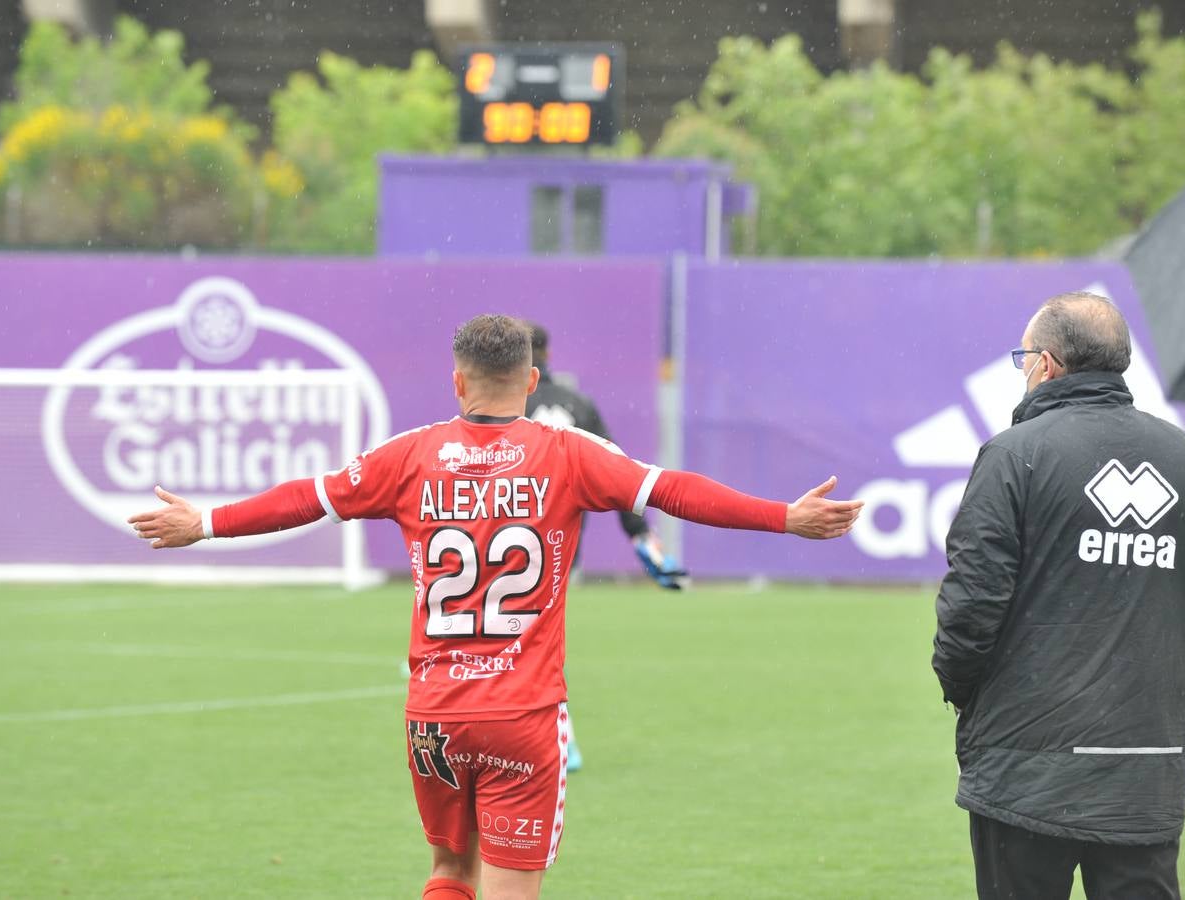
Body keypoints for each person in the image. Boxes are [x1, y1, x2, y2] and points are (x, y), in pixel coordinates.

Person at [130, 315, 862, 900]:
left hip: (435, 718)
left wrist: (207, 523)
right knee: (511, 889)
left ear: (458, 382)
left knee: (451, 875)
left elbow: (309, 498)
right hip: (521, 716)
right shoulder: (571, 452)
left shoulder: (409, 456)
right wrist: (781, 516)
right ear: (533, 379)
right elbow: (670, 489)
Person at [932, 292, 1185, 900]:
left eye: (1022, 358)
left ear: (1046, 364)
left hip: (1026, 762)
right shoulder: (1184, 457)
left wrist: (960, 689)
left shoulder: (1014, 454)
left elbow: (973, 602)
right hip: (1148, 758)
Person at [525, 321, 685, 773]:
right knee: (541, 644)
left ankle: (549, 739)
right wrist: (642, 539)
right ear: (548, 352)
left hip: (496, 549)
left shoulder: (504, 406)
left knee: (513, 647)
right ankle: (554, 739)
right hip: (558, 554)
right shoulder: (580, 406)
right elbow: (621, 479)